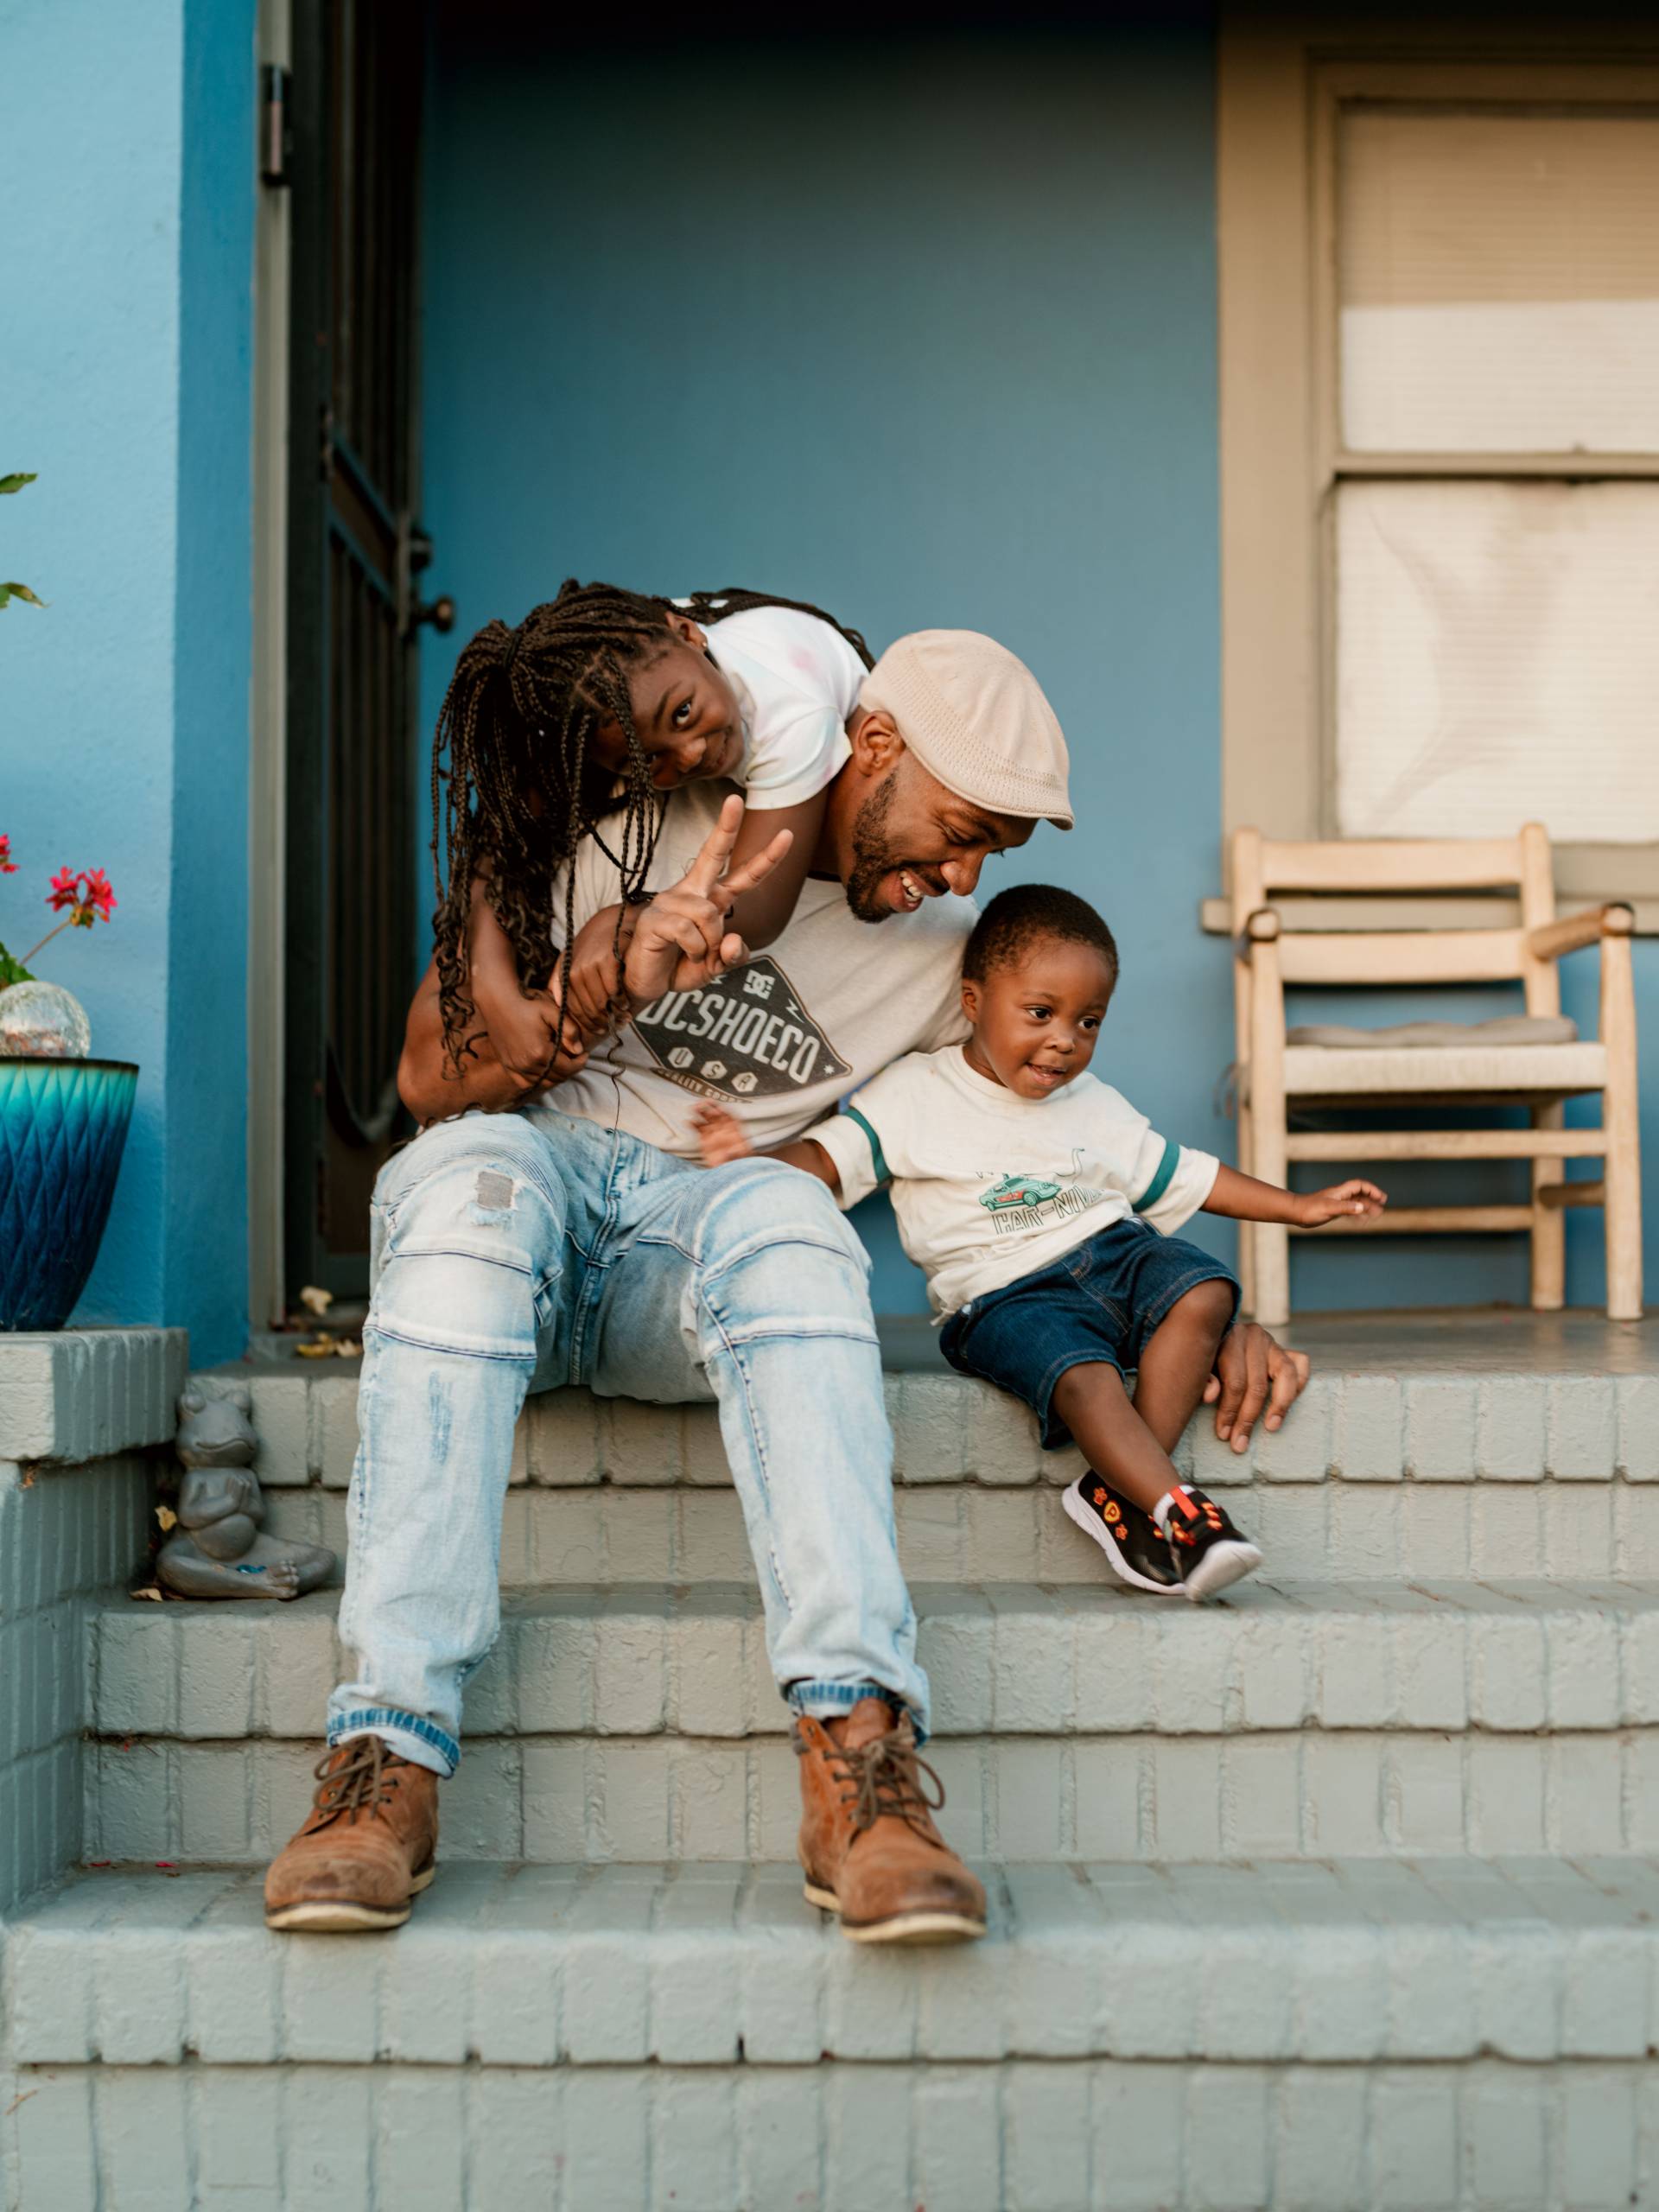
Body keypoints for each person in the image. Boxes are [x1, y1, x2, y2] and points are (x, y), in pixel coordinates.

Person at [263, 625, 1312, 1946]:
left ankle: (862, 1766)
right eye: (959, 826)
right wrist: (596, 987)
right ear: (871, 746)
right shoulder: (643, 819)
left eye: (998, 853)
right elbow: (426, 1075)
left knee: (793, 1213)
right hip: (526, 1202)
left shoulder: (950, 961)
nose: (966, 871)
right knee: (466, 1169)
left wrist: (1187, 1296)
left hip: (694, 1257)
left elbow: (1063, 1142)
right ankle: (386, 1762)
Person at [697, 882, 1383, 1600]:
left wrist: (1300, 1207)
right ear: (972, 1001)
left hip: (1115, 1255)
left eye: (1089, 1022)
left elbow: (1186, 1173)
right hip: (1003, 1297)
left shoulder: (1093, 1102)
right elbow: (826, 1162)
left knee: (1205, 1286)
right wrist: (747, 1164)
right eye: (1040, 1013)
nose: (1065, 1040)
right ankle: (1177, 1508)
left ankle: (1114, 1492)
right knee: (1080, 1373)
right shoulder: (911, 1094)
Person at [436, 582, 874, 1088]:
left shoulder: (792, 714)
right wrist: (495, 992)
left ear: (689, 634)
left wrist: (626, 921)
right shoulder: (628, 663)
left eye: (683, 713)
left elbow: (760, 908)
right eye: (646, 762)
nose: (689, 756)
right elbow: (498, 841)